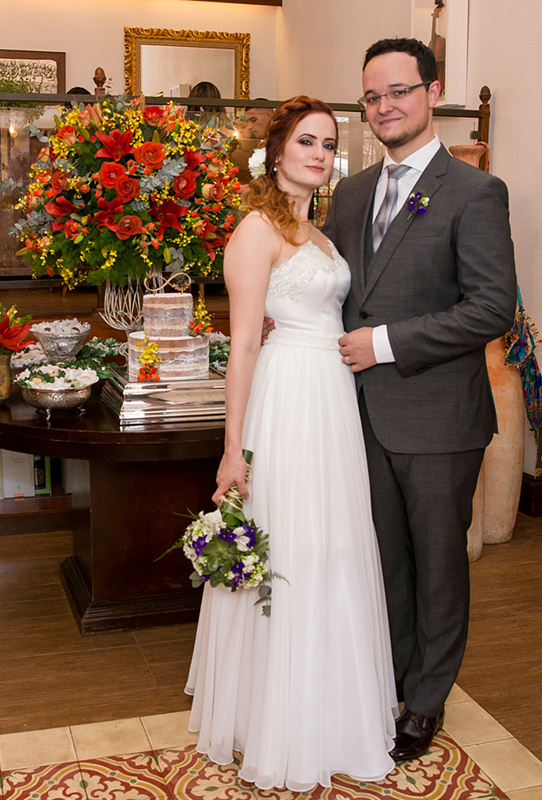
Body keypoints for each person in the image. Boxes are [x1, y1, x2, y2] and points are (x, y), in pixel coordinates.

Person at [186, 96, 398, 791]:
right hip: (287, 400)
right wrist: (233, 450)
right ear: (276, 152)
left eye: (330, 144)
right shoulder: (256, 230)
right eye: (306, 141)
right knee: (293, 547)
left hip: (333, 402)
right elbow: (244, 342)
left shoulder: (327, 237)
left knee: (334, 547)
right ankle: (277, 719)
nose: (319, 153)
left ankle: (332, 709)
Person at [321, 38, 517, 761]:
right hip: (359, 418)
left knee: (438, 567)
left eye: (399, 91)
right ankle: (392, 680)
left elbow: (492, 307)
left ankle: (426, 702)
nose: (384, 107)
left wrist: (387, 343)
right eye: (372, 97)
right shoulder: (348, 193)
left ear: (433, 92)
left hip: (438, 418)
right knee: (384, 562)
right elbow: (342, 297)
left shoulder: (475, 191)